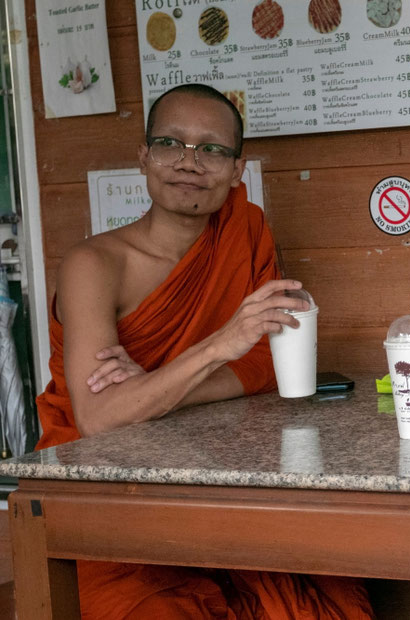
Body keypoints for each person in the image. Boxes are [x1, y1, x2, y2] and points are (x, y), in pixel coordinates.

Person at [34, 84, 373, 618]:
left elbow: (267, 367)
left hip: (223, 475)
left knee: (328, 599)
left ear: (238, 169)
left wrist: (155, 385)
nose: (190, 163)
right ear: (144, 157)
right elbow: (100, 417)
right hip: (111, 498)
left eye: (212, 149)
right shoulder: (93, 266)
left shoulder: (245, 228)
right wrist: (219, 347)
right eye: (171, 144)